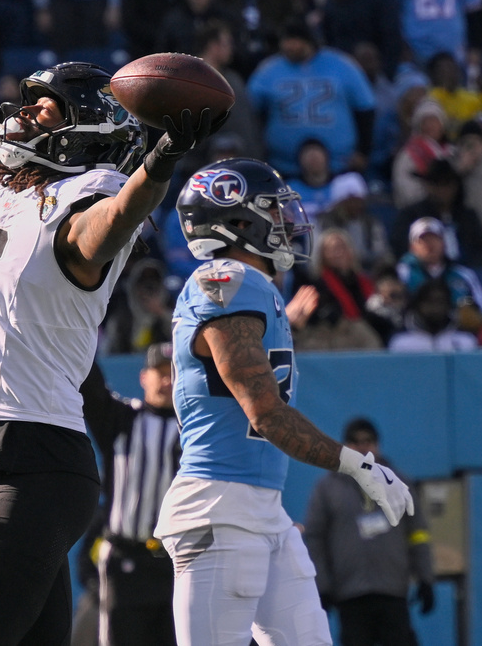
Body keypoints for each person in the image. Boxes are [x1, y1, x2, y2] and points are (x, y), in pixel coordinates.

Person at [0, 0, 221, 645]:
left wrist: (160, 161)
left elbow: (109, 226)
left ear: (79, 126)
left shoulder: (92, 198)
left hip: (39, 467)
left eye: (44, 106)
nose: (24, 114)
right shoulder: (6, 199)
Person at [154, 157, 415, 646]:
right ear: (237, 221)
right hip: (219, 508)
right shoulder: (226, 282)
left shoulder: (258, 288)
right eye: (272, 210)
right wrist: (358, 466)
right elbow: (265, 413)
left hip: (261, 509)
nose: (286, 221)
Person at [79, 344, 180, 646]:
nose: (166, 381)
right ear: (143, 377)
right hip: (126, 563)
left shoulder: (194, 430)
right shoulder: (122, 420)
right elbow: (91, 386)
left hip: (176, 566)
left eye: (173, 374)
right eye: (159, 373)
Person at [304, 417, 435, 646]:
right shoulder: (328, 488)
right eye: (355, 442)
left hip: (392, 592)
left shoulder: (399, 484)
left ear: (378, 445)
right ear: (345, 446)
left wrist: (425, 578)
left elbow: (418, 533)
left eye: (368, 441)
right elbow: (315, 539)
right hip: (350, 595)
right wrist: (321, 586)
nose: (363, 447)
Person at [248, 18, 377, 179]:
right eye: (286, 41)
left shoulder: (342, 65)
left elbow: (365, 108)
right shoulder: (268, 69)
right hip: (283, 165)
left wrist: (363, 151)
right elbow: (251, 110)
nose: (289, 46)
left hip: (339, 165)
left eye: (294, 41)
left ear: (309, 42)